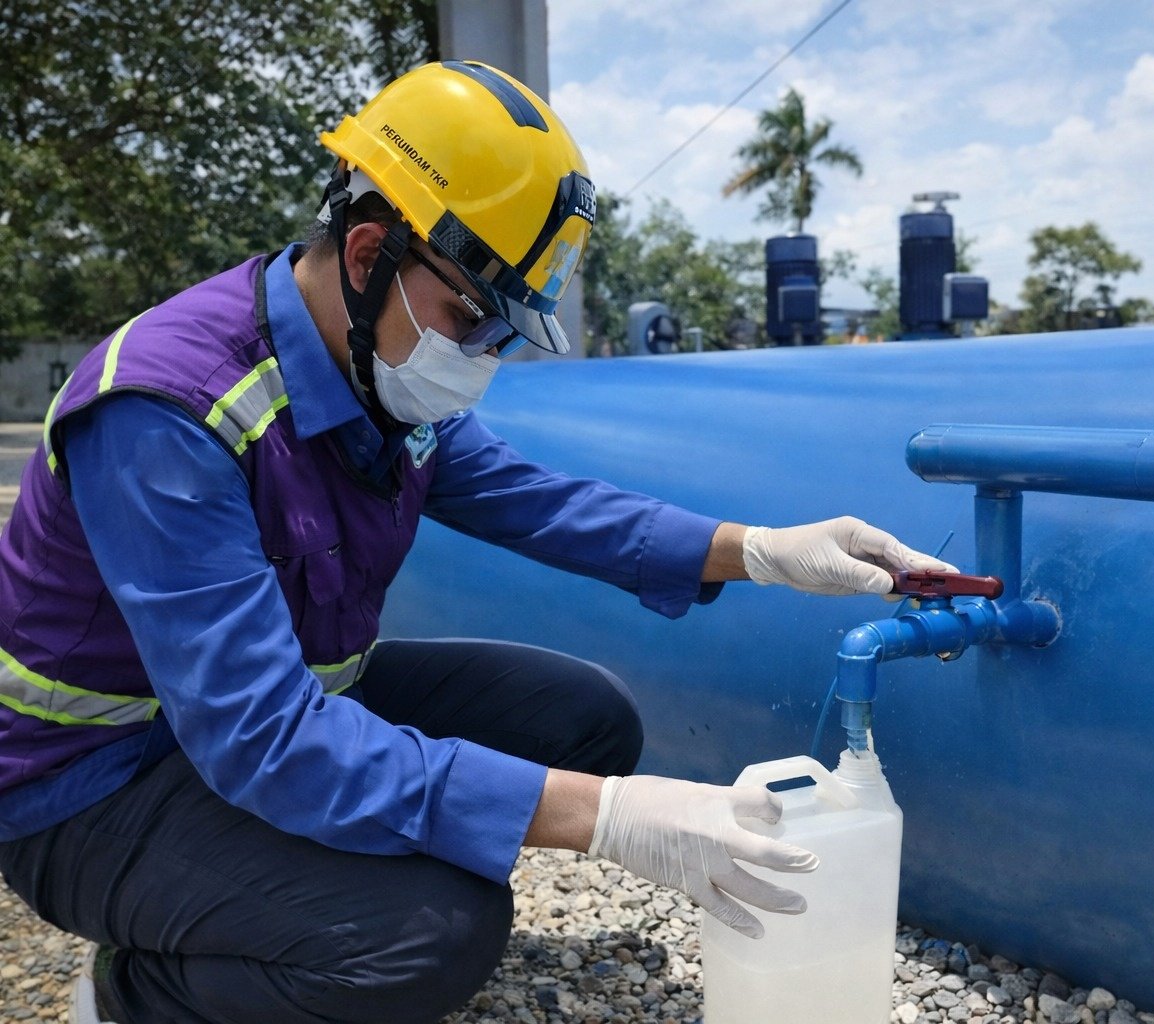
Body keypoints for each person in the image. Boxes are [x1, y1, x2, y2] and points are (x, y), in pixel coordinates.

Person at [0, 61, 953, 1024]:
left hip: (266, 714)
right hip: (92, 786)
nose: (480, 360)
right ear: (369, 255)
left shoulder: (381, 376)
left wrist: (761, 549)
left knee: (585, 719)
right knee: (437, 936)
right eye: (470, 319)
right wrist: (611, 820)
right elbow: (263, 740)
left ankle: (298, 891)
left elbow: (541, 502)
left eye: (503, 337)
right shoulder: (166, 413)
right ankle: (136, 992)